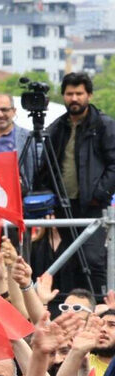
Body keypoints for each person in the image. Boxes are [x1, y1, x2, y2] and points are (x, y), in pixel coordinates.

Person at [42, 72, 115, 294]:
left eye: (79, 94)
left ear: (89, 95)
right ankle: (72, 307)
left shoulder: (103, 125)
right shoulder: (57, 127)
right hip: (64, 205)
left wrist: (99, 193)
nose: (74, 98)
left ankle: (102, 306)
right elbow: (46, 168)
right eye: (69, 94)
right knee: (68, 259)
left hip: (92, 205)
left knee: (93, 258)